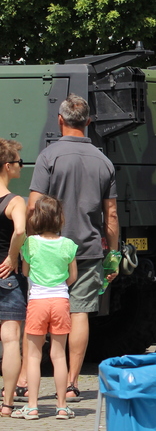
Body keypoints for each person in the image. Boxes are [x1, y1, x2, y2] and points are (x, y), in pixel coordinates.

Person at [26, 94, 118, 400]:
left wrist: (28, 247)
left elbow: (33, 206)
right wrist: (113, 255)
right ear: (89, 122)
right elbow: (112, 215)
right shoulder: (104, 162)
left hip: (47, 248)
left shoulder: (49, 157)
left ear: (60, 120)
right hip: (89, 250)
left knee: (39, 309)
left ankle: (29, 379)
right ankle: (72, 382)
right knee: (78, 314)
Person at [17, 195, 78, 420]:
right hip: (60, 300)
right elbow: (72, 276)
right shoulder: (68, 245)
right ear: (59, 218)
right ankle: (62, 406)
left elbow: (24, 272)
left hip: (37, 301)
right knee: (59, 355)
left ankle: (32, 406)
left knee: (32, 356)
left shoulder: (30, 244)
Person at [0, 140, 28, 417]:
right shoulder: (14, 201)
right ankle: (7, 404)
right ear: (7, 167)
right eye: (19, 162)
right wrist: (12, 256)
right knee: (10, 339)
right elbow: (19, 230)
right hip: (6, 276)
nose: (21, 165)